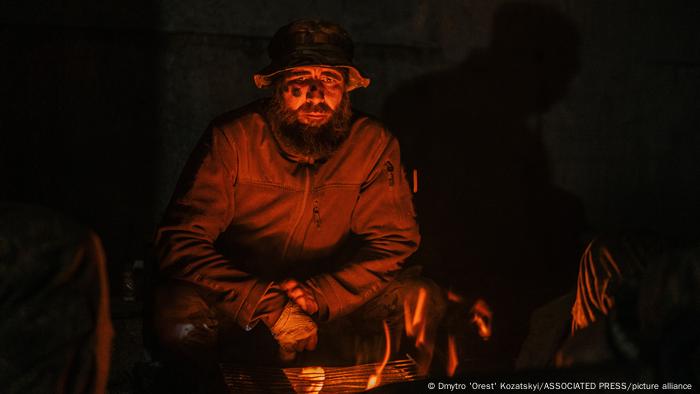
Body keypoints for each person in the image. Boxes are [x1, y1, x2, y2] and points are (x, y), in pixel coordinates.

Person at [151, 19, 444, 391]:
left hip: (337, 298)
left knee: (418, 298)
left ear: (345, 91)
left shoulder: (373, 143)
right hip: (243, 298)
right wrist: (269, 304)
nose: (315, 93)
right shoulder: (233, 138)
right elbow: (181, 241)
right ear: (277, 87)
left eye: (330, 80)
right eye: (300, 80)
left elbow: (394, 240)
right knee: (179, 313)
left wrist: (322, 295)